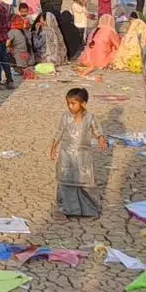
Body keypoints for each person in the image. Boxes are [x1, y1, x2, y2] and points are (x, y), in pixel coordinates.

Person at [50, 88, 108, 217]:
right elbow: (59, 131)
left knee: (84, 183)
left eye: (73, 103)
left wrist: (101, 139)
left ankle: (89, 211)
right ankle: (67, 209)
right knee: (66, 182)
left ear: (83, 104)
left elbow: (97, 131)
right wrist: (54, 146)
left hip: (83, 156)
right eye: (68, 103)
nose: (70, 106)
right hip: (66, 156)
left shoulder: (90, 118)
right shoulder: (65, 117)